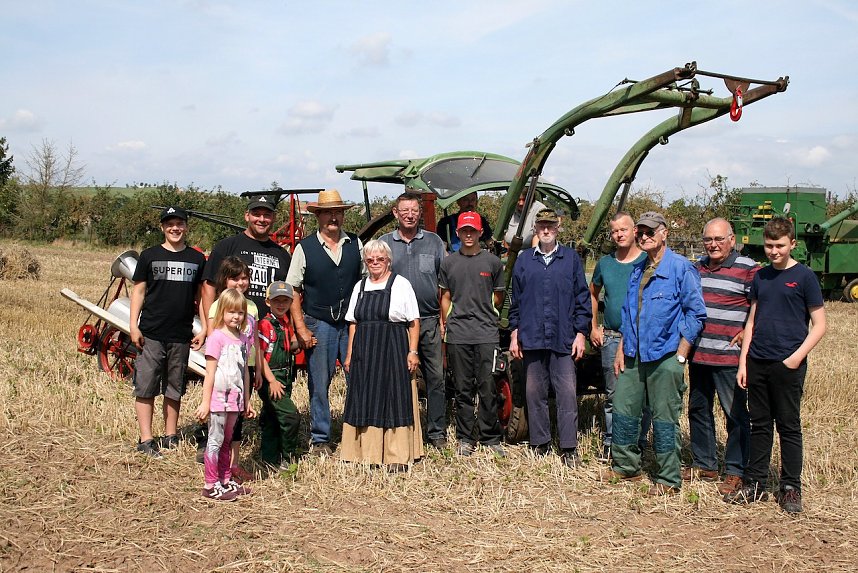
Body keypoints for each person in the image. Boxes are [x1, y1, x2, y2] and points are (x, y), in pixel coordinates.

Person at [724, 217, 826, 513]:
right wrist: (743, 362)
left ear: (792, 244)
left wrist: (794, 359)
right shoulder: (761, 277)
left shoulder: (805, 277)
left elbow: (820, 325)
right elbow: (752, 320)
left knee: (789, 426)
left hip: (788, 364)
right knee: (759, 425)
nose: (774, 251)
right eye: (769, 245)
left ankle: (791, 487)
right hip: (757, 361)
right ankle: (754, 483)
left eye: (780, 245)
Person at [609, 211, 706, 495]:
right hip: (633, 354)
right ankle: (626, 468)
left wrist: (681, 353)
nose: (645, 236)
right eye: (641, 231)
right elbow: (629, 313)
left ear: (664, 233)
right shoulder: (638, 268)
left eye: (651, 231)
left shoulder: (680, 268)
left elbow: (696, 314)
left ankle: (667, 478)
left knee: (664, 419)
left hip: (665, 356)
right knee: (624, 410)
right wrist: (621, 349)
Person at [509, 208, 591, 467]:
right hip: (532, 336)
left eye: (550, 225)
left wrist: (580, 333)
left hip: (562, 337)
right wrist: (514, 333)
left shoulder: (570, 259)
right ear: (535, 229)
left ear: (558, 228)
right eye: (542, 225)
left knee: (566, 392)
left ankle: (568, 448)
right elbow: (516, 302)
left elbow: (582, 298)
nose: (546, 229)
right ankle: (540, 443)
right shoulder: (524, 260)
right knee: (535, 393)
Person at [287, 189, 363, 456]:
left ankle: (358, 433)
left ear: (343, 215)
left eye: (338, 212)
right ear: (318, 216)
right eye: (328, 212)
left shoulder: (356, 244)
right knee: (320, 383)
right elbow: (293, 290)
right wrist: (302, 328)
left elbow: (367, 283)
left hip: (351, 325)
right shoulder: (304, 248)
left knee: (358, 378)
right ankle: (321, 438)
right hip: (318, 323)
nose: (334, 217)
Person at [686, 218, 758, 495]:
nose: (713, 245)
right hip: (700, 354)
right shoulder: (697, 269)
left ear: (732, 240)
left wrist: (748, 330)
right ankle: (705, 464)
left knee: (735, 414)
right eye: (708, 240)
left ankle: (735, 470)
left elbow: (759, 304)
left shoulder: (748, 269)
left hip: (730, 357)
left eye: (718, 239)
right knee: (698, 410)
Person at [129, 206, 206, 458]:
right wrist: (133, 326)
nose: (175, 228)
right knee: (146, 385)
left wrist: (204, 327)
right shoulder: (149, 255)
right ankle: (146, 438)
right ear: (162, 227)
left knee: (175, 387)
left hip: (181, 334)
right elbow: (139, 291)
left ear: (186, 226)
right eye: (170, 224)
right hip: (151, 331)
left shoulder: (196, 259)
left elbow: (201, 297)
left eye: (180, 223)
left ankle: (171, 435)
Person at [341, 240, 424, 471]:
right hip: (364, 349)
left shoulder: (401, 284)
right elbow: (353, 323)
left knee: (394, 397)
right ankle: (364, 453)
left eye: (380, 259)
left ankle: (396, 455)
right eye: (370, 260)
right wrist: (349, 354)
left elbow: (414, 322)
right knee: (364, 396)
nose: (375, 263)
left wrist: (413, 351)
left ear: (389, 260)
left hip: (394, 345)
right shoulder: (360, 286)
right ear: (365, 262)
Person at [379, 192, 448, 449]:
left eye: (414, 210)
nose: (409, 214)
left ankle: (436, 432)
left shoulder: (434, 242)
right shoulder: (385, 243)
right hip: (396, 324)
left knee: (436, 378)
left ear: (420, 213)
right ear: (395, 213)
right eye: (404, 210)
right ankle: (400, 428)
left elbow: (444, 285)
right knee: (396, 378)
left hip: (429, 320)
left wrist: (444, 320)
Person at [439, 211, 506, 457]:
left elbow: (497, 297)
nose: (469, 234)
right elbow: (445, 297)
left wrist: (486, 313)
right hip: (458, 335)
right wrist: (447, 323)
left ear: (480, 233)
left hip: (486, 333)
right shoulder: (449, 263)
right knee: (463, 389)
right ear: (458, 233)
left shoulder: (492, 263)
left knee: (488, 386)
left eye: (473, 230)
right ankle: (466, 438)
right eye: (464, 230)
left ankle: (490, 437)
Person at [589, 212, 650, 461]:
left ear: (634, 231)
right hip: (613, 337)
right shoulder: (606, 264)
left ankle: (639, 441)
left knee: (643, 396)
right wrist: (593, 326)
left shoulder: (647, 261)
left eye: (624, 229)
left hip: (642, 337)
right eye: (615, 231)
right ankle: (612, 442)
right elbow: (593, 293)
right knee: (614, 395)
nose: (619, 234)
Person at [196, 257, 261, 482]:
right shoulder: (217, 329)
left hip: (239, 386)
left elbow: (250, 356)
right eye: (235, 278)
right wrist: (205, 401)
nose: (240, 282)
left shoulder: (245, 331)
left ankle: (228, 475)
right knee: (216, 438)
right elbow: (211, 369)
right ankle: (212, 482)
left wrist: (249, 395)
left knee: (231, 434)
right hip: (220, 390)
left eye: (244, 278)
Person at [202, 195, 291, 321]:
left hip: (271, 331)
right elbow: (208, 287)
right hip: (232, 330)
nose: (262, 219)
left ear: (274, 218)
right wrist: (210, 326)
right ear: (247, 216)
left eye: (267, 215)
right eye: (256, 214)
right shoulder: (226, 246)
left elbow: (290, 295)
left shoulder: (282, 255)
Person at [257, 281, 301, 469]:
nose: (281, 304)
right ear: (268, 302)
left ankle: (269, 458)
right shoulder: (265, 325)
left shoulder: (285, 323)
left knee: (273, 418)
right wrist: (272, 381)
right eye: (277, 300)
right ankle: (288, 456)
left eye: (285, 300)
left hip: (285, 375)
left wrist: (300, 344)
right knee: (290, 416)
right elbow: (260, 355)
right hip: (273, 378)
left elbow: (287, 347)